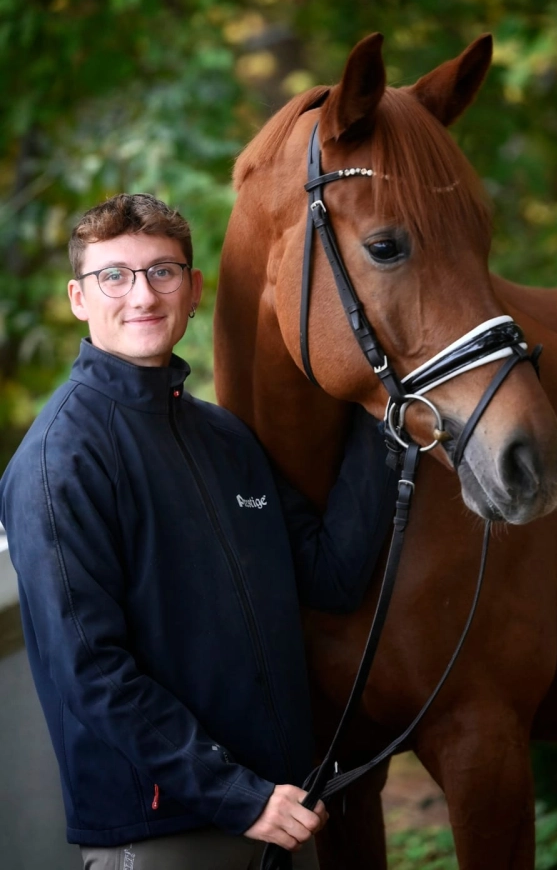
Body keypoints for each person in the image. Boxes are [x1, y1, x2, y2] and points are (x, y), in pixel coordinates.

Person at [0, 193, 396, 870]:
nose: (143, 295)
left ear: (193, 289)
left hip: (282, 815)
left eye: (163, 271)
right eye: (114, 276)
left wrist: (382, 410)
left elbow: (331, 575)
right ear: (77, 298)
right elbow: (93, 673)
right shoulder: (59, 461)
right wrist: (242, 798)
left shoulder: (226, 438)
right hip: (167, 835)